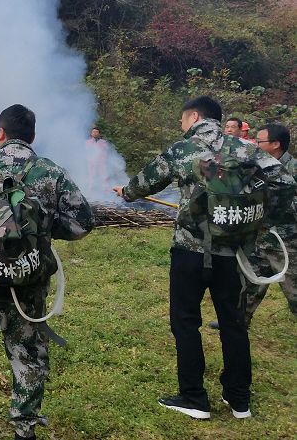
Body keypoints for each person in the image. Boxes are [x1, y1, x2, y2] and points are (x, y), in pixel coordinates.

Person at [112, 96, 294, 421]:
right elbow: (284, 182)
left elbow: (146, 182)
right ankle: (239, 401)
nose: (181, 126)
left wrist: (125, 193)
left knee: (185, 321)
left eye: (182, 120)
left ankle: (193, 397)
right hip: (231, 253)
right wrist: (257, 216)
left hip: (189, 252)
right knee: (233, 324)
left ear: (194, 116)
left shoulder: (183, 149)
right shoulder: (244, 148)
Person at [0, 104, 94, 440]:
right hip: (28, 280)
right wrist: (43, 229)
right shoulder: (51, 172)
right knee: (28, 356)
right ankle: (24, 427)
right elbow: (83, 222)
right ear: (33, 136)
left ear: (0, 133)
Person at [245, 123, 297, 322]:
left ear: (276, 144)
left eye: (259, 141)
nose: (256, 144)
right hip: (261, 237)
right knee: (249, 281)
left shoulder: (292, 168)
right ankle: (239, 320)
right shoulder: (259, 166)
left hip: (288, 242)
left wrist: (274, 203)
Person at [85, 126, 110, 190]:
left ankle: (106, 190)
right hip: (92, 162)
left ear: (99, 133)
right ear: (91, 134)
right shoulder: (87, 142)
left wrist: (105, 160)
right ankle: (91, 191)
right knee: (91, 177)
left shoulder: (104, 142)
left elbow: (107, 152)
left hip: (102, 162)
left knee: (104, 176)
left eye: (96, 132)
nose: (95, 133)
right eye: (93, 132)